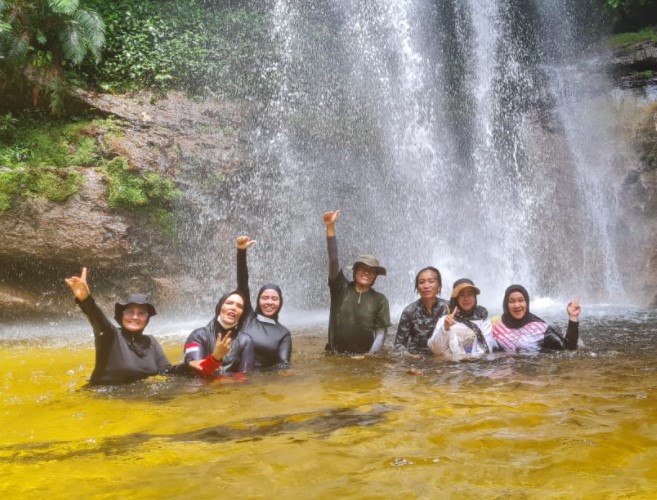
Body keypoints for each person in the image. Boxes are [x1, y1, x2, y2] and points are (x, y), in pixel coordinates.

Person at [64, 267, 171, 385]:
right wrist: (85, 299)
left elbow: (167, 371)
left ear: (147, 319)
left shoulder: (151, 342)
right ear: (122, 315)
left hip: (135, 400)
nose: (135, 317)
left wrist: (190, 364)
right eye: (130, 312)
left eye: (141, 313)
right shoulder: (110, 336)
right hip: (100, 399)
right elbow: (98, 320)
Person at [322, 210, 391, 355]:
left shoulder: (380, 300)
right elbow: (333, 258)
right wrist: (330, 226)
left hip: (364, 356)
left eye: (371, 270)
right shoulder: (340, 288)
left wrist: (370, 356)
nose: (366, 272)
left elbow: (380, 333)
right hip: (336, 355)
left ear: (375, 276)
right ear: (354, 271)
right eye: (362, 268)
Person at [236, 235, 292, 369]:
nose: (269, 302)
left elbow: (283, 364)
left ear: (280, 303)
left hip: (259, 382)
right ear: (258, 300)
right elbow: (243, 284)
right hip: (233, 378)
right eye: (265, 298)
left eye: (274, 299)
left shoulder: (283, 333)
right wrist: (241, 252)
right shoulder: (247, 317)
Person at [182, 290, 254, 377]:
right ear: (219, 307)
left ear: (242, 313)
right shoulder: (198, 335)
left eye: (239, 306)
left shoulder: (245, 340)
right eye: (229, 303)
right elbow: (195, 374)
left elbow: (245, 376)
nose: (234, 308)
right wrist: (215, 357)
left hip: (232, 389)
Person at [492, 284, 581, 353]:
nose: (517, 305)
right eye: (511, 301)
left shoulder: (539, 328)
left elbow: (568, 349)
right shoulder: (495, 325)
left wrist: (572, 317)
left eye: (521, 300)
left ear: (527, 302)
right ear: (506, 305)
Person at [427, 278, 493, 360]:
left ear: (475, 297)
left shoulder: (483, 320)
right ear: (456, 299)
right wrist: (445, 328)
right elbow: (435, 350)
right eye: (461, 295)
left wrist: (464, 362)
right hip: (451, 367)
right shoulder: (446, 320)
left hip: (475, 367)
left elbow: (485, 351)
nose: (466, 299)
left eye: (470, 294)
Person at [395, 266, 449, 354]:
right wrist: (409, 357)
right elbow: (399, 344)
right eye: (421, 282)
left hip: (444, 356)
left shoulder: (449, 308)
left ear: (439, 285)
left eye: (431, 281)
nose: (426, 286)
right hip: (419, 358)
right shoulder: (409, 311)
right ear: (417, 287)